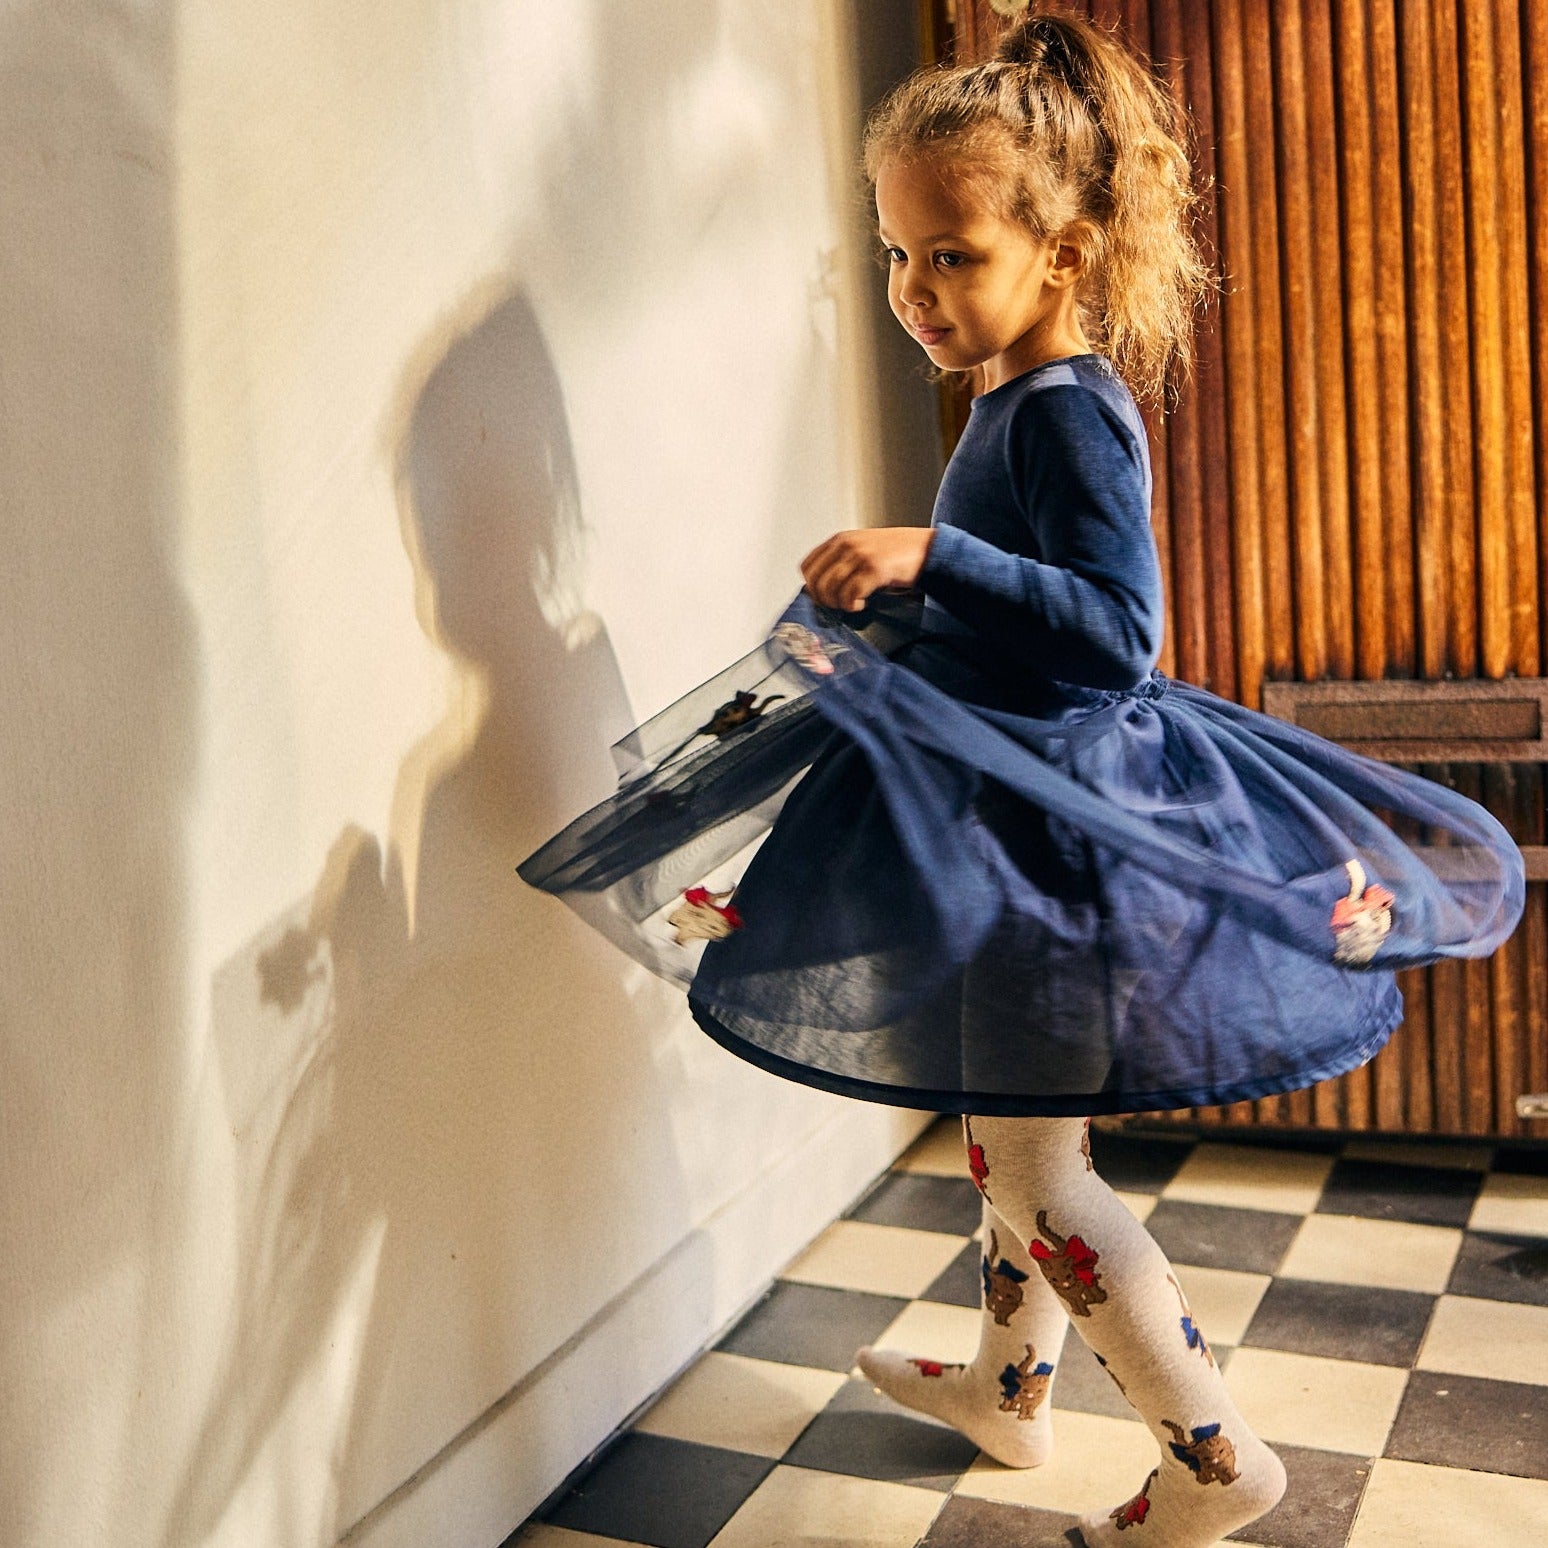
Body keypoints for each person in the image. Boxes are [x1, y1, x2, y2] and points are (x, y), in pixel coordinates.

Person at [520, 11, 1524, 1545]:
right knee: (1012, 1146)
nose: (916, 290)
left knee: (1044, 1179)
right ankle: (1009, 1390)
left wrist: (937, 554)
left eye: (954, 255)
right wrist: (913, 598)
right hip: (1014, 831)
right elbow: (1017, 616)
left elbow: (1118, 633)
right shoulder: (1009, 398)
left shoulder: (1071, 412)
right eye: (896, 254)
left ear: (1064, 253)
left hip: (1063, 853)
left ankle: (1216, 1467)